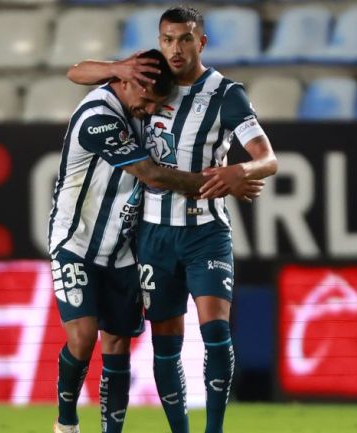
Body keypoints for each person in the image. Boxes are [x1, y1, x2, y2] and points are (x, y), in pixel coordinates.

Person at [67, 6, 278, 433]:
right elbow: (76, 73)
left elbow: (268, 159)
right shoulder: (145, 76)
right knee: (166, 344)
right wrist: (119, 66)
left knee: (216, 331)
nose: (175, 49)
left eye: (184, 39)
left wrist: (241, 171)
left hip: (206, 232)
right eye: (168, 39)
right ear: (159, 41)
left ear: (201, 42)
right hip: (153, 231)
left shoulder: (225, 95)